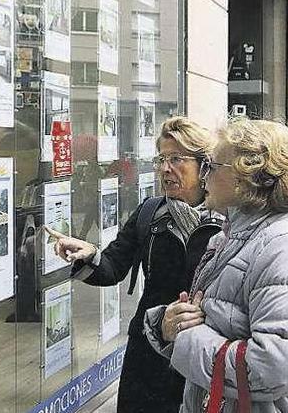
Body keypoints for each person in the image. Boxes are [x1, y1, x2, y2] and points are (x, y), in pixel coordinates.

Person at [144, 118, 288, 412]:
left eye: (211, 166)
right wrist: (170, 321)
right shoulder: (238, 235)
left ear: (247, 177)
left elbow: (276, 366)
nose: (203, 177)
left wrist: (185, 336)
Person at [45, 116, 223, 413]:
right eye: (161, 159)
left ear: (203, 166)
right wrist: (89, 254)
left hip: (203, 348)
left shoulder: (226, 221)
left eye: (177, 159)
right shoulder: (150, 213)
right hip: (148, 348)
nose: (166, 169)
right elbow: (113, 266)